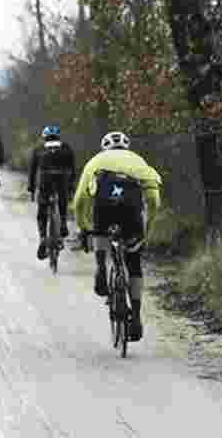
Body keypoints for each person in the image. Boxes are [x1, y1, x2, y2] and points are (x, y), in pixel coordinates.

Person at [71, 131, 162, 342]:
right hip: (131, 213)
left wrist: (85, 228)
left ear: (105, 148)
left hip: (104, 210)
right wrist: (146, 229)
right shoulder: (139, 162)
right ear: (127, 148)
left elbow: (79, 201)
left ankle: (101, 268)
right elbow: (154, 201)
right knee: (134, 262)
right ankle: (137, 317)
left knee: (100, 228)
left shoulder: (96, 162)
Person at [27, 125, 76, 260]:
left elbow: (32, 170)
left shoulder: (38, 148)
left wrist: (31, 188)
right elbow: (72, 168)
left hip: (45, 180)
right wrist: (71, 186)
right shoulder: (66, 147)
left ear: (44, 137)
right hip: (61, 179)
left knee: (42, 211)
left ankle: (43, 237)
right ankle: (64, 223)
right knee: (63, 200)